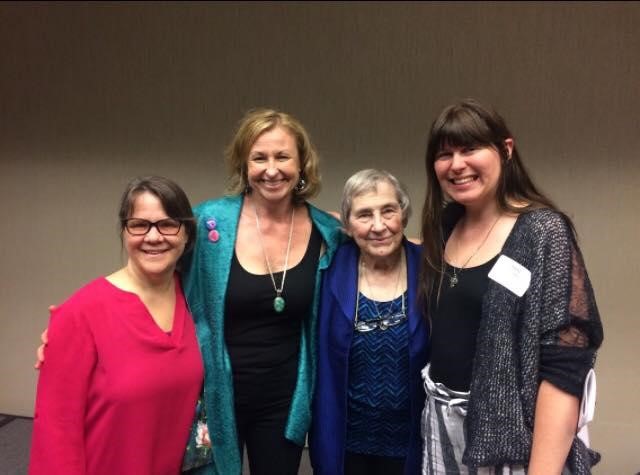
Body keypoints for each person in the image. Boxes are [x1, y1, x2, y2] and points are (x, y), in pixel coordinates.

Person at [419, 99, 604, 474]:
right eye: (444, 154)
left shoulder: (542, 233)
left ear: (505, 150)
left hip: (515, 441)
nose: (457, 165)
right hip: (441, 425)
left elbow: (564, 369)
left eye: (470, 149)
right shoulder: (446, 225)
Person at [181, 108, 343, 474]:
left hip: (284, 399)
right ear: (244, 164)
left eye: (283, 156)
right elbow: (154, 277)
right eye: (260, 157)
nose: (272, 169)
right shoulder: (209, 223)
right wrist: (77, 327)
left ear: (302, 164)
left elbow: (386, 246)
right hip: (215, 393)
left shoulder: (327, 232)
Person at [29, 176, 203, 475]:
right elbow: (55, 435)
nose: (153, 236)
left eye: (167, 224)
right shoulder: (80, 314)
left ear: (186, 233)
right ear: (124, 231)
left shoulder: (194, 302)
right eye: (139, 225)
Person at [310, 169, 429, 475]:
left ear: (403, 215)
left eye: (388, 211)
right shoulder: (328, 269)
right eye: (364, 215)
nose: (379, 226)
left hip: (414, 438)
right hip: (347, 438)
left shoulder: (431, 267)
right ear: (347, 225)